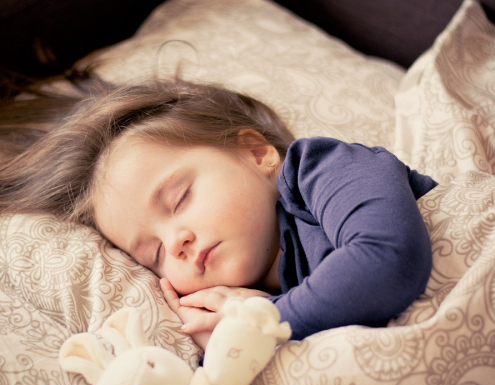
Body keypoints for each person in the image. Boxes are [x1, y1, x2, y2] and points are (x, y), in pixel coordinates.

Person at [0, 78, 437, 350]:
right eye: (154, 254)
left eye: (179, 198)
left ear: (256, 152)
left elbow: (388, 258)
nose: (176, 242)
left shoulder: (324, 168)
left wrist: (264, 321)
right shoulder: (244, 301)